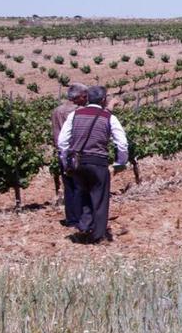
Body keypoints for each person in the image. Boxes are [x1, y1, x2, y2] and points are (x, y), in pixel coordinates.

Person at [57, 86, 129, 244]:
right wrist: (120, 163)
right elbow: (122, 143)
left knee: (82, 194)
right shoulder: (108, 117)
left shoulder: (75, 114)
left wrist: (65, 161)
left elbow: (62, 141)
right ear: (103, 100)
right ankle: (98, 235)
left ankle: (83, 228)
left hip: (78, 162)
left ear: (87, 98)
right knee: (99, 198)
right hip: (98, 162)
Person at [51, 83, 87, 227]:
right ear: (79, 97)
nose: (86, 99)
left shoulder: (56, 111)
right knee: (80, 186)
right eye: (85, 96)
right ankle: (79, 218)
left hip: (61, 152)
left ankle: (70, 218)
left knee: (69, 186)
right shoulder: (79, 111)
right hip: (76, 152)